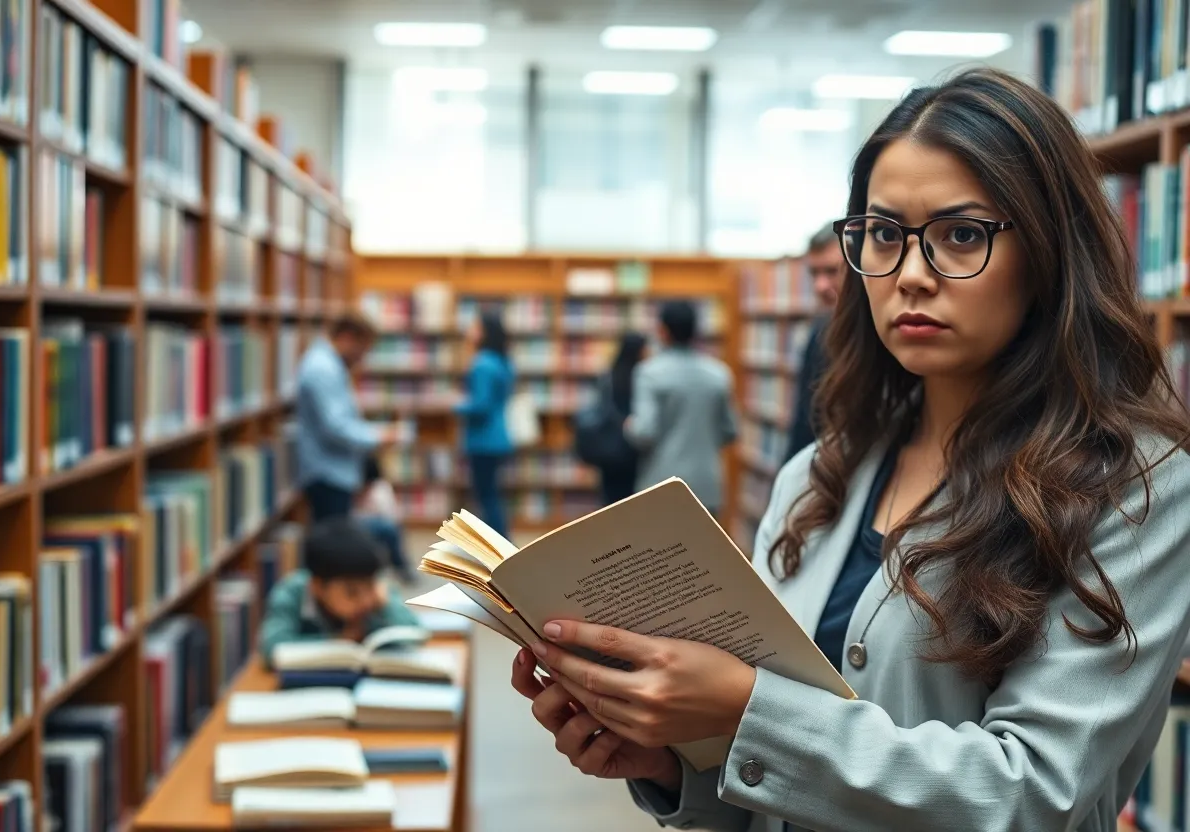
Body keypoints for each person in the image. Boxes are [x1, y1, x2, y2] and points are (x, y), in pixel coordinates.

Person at [510, 67, 1190, 832]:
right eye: (884, 235)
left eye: (962, 236)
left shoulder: (1137, 491)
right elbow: (769, 791)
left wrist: (744, 709)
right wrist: (673, 765)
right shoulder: (818, 475)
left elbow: (1029, 797)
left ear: (1049, 250)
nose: (910, 276)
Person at [624, 301, 737, 517]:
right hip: (706, 485)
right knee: (703, 548)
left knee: (658, 549)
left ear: (662, 331)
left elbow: (645, 432)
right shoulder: (719, 374)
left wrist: (629, 426)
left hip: (661, 484)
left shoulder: (649, 373)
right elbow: (730, 431)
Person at [258, 517, 419, 669]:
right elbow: (272, 649)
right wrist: (338, 642)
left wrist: (387, 605)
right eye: (352, 592)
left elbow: (415, 635)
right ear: (318, 586)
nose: (364, 600)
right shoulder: (291, 593)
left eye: (370, 586)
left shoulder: (378, 593)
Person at [296, 311, 408, 523]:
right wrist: (378, 437)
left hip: (335, 470)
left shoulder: (332, 365)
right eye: (362, 349)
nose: (362, 358)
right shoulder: (323, 369)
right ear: (347, 338)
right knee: (335, 542)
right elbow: (336, 426)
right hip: (327, 474)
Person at [782, 226, 846, 464]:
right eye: (814, 273)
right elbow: (805, 423)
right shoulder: (820, 334)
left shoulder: (889, 336)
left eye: (832, 271)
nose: (820, 286)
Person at [455, 309, 516, 538]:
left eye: (475, 327)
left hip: (483, 439)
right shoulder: (503, 361)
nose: (470, 332)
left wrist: (456, 404)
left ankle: (500, 546)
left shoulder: (481, 364)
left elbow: (480, 406)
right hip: (499, 436)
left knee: (486, 495)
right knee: (492, 493)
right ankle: (501, 542)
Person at [594, 332, 647, 505]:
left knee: (610, 502)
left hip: (609, 447)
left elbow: (601, 408)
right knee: (633, 501)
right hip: (634, 449)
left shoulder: (608, 375)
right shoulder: (644, 377)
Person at [354, 455, 416, 585]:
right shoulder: (351, 488)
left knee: (390, 528)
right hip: (359, 526)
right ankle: (400, 566)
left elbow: (391, 514)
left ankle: (399, 566)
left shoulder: (381, 488)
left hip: (377, 525)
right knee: (389, 529)